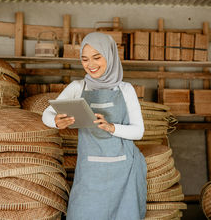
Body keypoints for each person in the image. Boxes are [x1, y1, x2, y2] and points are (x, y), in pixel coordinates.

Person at [42, 32, 147, 220]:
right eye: (85, 59)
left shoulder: (125, 89)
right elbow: (46, 114)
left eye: (97, 57)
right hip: (90, 169)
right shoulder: (78, 87)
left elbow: (138, 131)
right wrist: (56, 121)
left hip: (122, 170)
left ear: (110, 55)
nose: (91, 65)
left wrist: (111, 127)